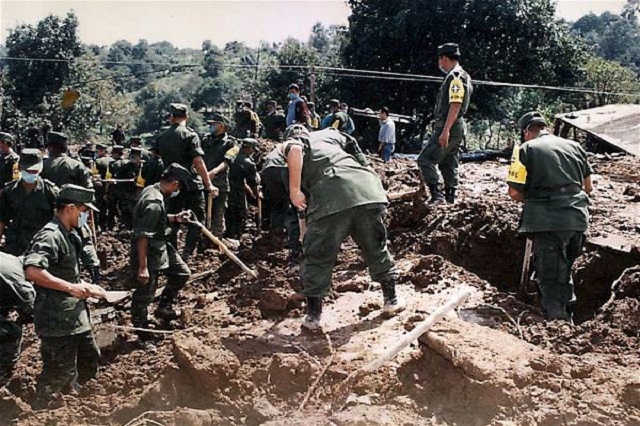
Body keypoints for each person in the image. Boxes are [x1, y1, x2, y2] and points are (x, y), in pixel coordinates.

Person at [282, 124, 404, 329]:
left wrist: (294, 192)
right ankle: (391, 301)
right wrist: (367, 169)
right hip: (367, 190)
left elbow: (294, 151)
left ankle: (313, 317)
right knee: (376, 247)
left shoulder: (296, 143)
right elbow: (352, 143)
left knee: (319, 256)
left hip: (331, 196)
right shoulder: (329, 135)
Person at [24, 184, 106, 408]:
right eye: (84, 211)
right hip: (57, 320)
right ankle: (40, 411)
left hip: (74, 317)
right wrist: (71, 288)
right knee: (59, 373)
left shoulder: (68, 233)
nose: (86, 217)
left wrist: (85, 286)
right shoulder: (51, 236)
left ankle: (78, 406)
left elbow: (65, 272)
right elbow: (32, 270)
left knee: (90, 359)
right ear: (70, 208)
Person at [507, 111, 593, 321]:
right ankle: (567, 315)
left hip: (547, 222)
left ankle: (558, 325)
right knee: (563, 272)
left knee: (550, 278)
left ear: (527, 131)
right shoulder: (575, 147)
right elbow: (588, 187)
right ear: (546, 127)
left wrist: (534, 195)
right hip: (577, 220)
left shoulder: (524, 149)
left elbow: (514, 193)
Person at [130, 164, 192, 346]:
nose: (178, 190)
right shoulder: (153, 202)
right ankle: (142, 332)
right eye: (178, 186)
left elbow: (157, 221)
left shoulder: (154, 190)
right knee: (145, 293)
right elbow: (142, 235)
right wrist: (143, 267)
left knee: (182, 272)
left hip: (161, 245)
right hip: (148, 250)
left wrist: (175, 218)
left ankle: (164, 306)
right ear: (173, 182)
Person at [156, 103, 217, 260]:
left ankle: (172, 253)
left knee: (171, 218)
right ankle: (187, 253)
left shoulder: (162, 136)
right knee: (196, 219)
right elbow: (197, 160)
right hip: (190, 184)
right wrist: (208, 184)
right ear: (187, 117)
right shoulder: (190, 135)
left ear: (171, 117)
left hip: (169, 184)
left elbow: (156, 158)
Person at [417, 43, 472, 204]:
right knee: (448, 160)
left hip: (450, 125)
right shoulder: (465, 76)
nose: (439, 64)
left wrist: (445, 130)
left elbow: (455, 104)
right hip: (457, 125)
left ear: (445, 58)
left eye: (440, 59)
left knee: (425, 159)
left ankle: (437, 195)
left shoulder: (454, 77)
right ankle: (450, 197)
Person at [0, 149, 59, 256]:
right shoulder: (9, 191)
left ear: (40, 168)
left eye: (34, 171)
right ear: (20, 168)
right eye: (28, 170)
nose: (31, 174)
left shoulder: (51, 191)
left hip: (42, 246)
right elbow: (2, 220)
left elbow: (59, 221)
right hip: (16, 245)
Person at [260, 146, 302, 270]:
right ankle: (294, 241)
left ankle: (277, 231)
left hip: (268, 172)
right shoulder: (295, 147)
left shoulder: (276, 149)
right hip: (284, 170)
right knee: (295, 206)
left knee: (278, 204)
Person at [0, 252, 35, 385]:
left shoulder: (12, 259)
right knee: (10, 333)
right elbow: (34, 309)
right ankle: (2, 374)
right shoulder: (20, 280)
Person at [202, 114, 239, 237]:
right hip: (202, 182)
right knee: (202, 214)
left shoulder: (231, 143)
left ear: (221, 125)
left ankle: (215, 241)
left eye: (213, 124)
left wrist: (213, 172)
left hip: (220, 183)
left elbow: (227, 161)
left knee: (218, 214)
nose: (210, 126)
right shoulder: (205, 140)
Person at [226, 138, 260, 239]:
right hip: (237, 191)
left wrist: (250, 193)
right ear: (250, 149)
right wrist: (257, 194)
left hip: (228, 188)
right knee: (240, 213)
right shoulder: (247, 162)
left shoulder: (233, 156)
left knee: (229, 213)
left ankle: (229, 234)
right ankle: (237, 236)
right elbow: (252, 182)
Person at [93, 143, 114, 230]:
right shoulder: (113, 160)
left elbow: (95, 175)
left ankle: (100, 226)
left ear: (102, 151)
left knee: (100, 207)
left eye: (97, 151)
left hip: (100, 188)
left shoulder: (98, 161)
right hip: (112, 188)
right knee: (111, 208)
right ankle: (110, 226)